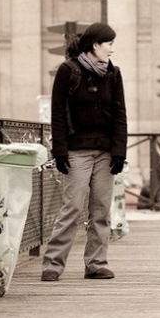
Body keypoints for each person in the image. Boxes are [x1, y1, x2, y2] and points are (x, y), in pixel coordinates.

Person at [41, 22, 128, 282]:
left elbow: (120, 115)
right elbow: (57, 113)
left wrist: (119, 152)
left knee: (101, 210)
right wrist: (60, 151)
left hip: (105, 152)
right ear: (95, 45)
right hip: (77, 150)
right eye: (109, 43)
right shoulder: (68, 71)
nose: (112, 48)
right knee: (71, 208)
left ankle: (96, 264)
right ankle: (53, 265)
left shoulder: (114, 74)